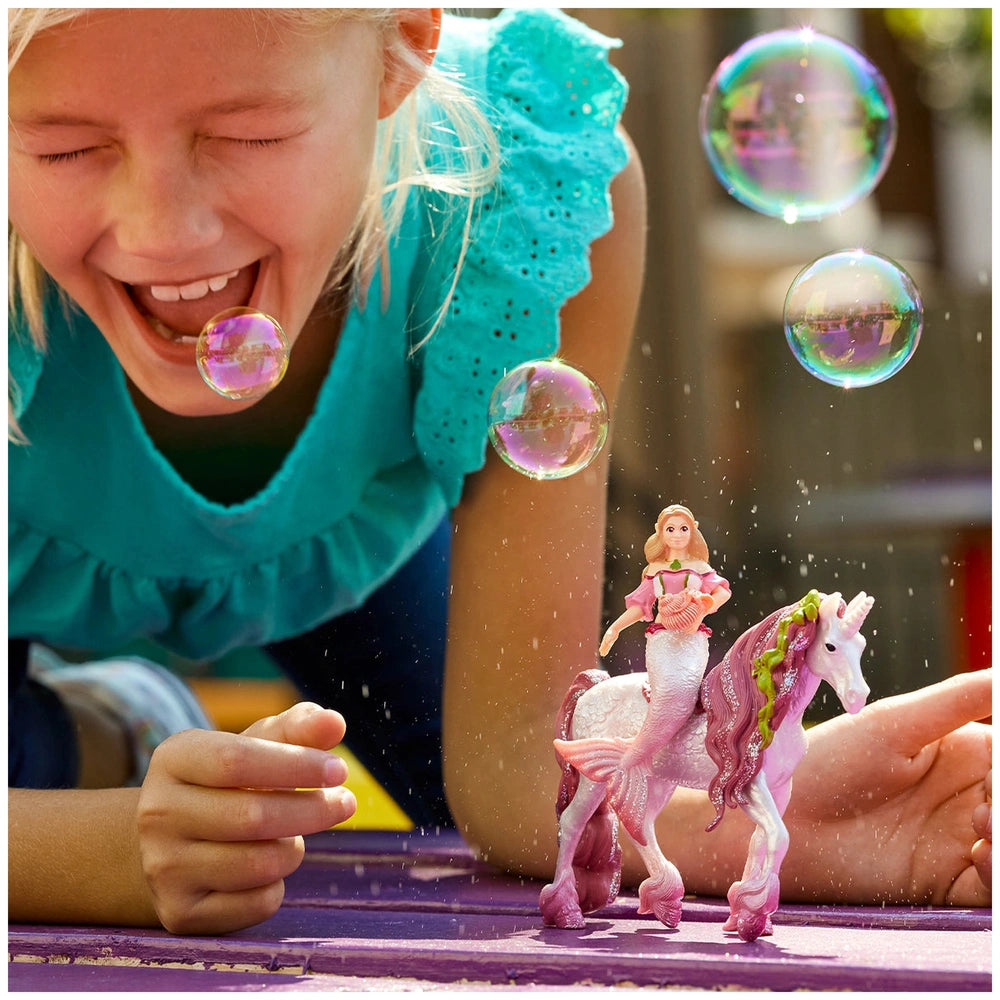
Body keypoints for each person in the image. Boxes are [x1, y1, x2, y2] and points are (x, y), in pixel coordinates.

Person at [6, 8, 989, 938]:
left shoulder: (523, 182)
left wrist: (777, 811)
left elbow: (528, 766)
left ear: (401, 51)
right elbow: (92, 854)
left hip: (352, 554)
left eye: (248, 134)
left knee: (522, 839)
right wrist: (113, 847)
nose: (162, 232)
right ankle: (97, 736)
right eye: (65, 148)